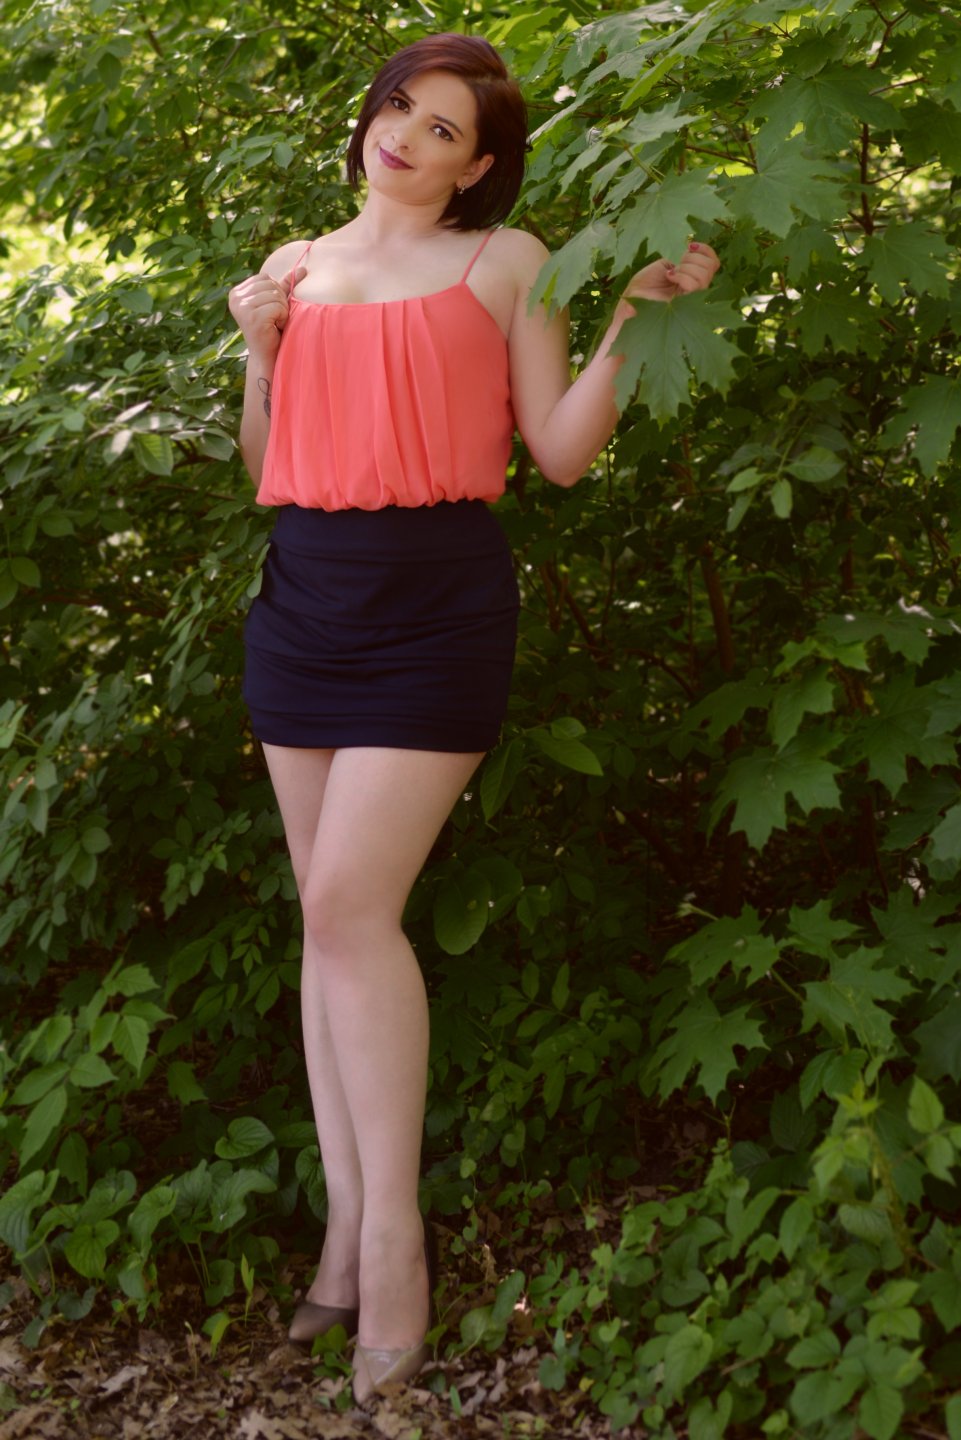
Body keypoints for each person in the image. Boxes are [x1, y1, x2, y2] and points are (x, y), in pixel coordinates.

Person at [227, 32, 719, 1404]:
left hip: (437, 605)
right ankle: (343, 1232)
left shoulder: (506, 262)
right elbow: (267, 464)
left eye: (442, 128)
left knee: (350, 908)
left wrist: (629, 320)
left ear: (478, 165)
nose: (406, 134)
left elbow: (556, 451)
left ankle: (396, 1248)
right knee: (324, 921)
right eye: (399, 106)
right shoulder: (295, 265)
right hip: (303, 598)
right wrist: (261, 348)